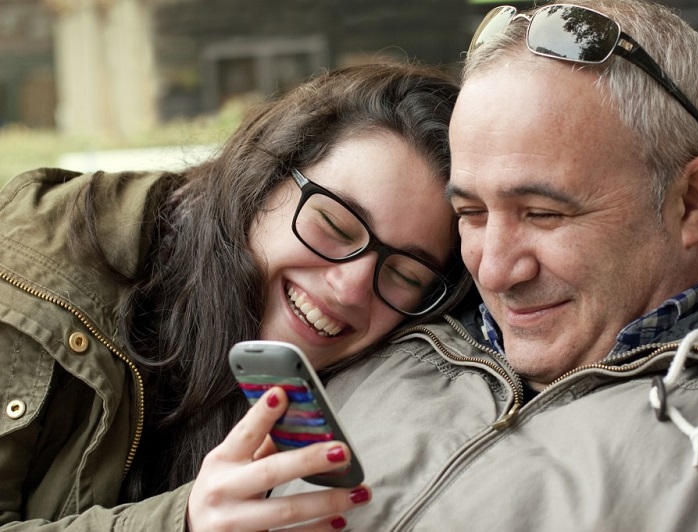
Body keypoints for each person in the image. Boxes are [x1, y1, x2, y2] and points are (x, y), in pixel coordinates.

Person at [275, 1, 698, 529]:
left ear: (690, 201)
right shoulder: (393, 327)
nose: (496, 273)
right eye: (471, 213)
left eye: (544, 213)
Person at [0, 62, 472, 530]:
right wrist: (182, 522)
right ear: (264, 175)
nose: (350, 288)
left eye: (405, 275)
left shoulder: (396, 374)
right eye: (333, 225)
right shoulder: (35, 268)